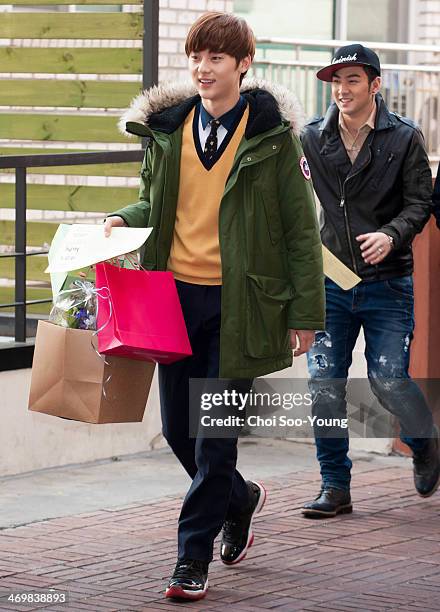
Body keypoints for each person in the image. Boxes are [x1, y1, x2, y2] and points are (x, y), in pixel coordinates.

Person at [104, 11, 325, 602]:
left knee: (213, 437)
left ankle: (189, 560)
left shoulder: (273, 139)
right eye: (196, 57)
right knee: (179, 430)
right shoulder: (170, 132)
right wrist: (121, 219)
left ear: (243, 64)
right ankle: (241, 498)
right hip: (173, 301)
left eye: (216, 59)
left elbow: (302, 231)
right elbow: (152, 202)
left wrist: (305, 314)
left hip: (243, 305)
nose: (203, 69)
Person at [300, 43, 439, 519]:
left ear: (375, 85)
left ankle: (424, 442)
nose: (342, 89)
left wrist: (391, 235)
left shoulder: (404, 138)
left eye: (353, 79)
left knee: (387, 380)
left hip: (387, 280)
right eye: (336, 81)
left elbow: (422, 203)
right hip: (330, 280)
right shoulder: (312, 138)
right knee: (323, 383)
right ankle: (334, 486)